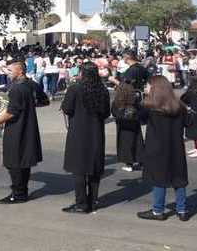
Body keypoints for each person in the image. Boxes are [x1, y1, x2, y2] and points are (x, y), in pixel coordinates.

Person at [136, 75, 192, 222]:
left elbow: (138, 118)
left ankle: (158, 210)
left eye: (147, 86)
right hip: (176, 146)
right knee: (178, 178)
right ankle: (182, 209)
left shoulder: (150, 107)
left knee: (158, 179)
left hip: (156, 147)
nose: (145, 88)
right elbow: (189, 122)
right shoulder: (179, 107)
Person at [0, 62, 43, 204]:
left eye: (10, 70)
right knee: (24, 161)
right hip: (29, 126)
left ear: (20, 71)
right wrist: (28, 106)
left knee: (14, 162)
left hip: (16, 128)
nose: (8, 72)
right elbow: (44, 101)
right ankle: (22, 192)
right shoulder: (32, 84)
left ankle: (17, 194)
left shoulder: (17, 88)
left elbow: (12, 112)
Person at [60, 62, 110, 214]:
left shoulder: (75, 88)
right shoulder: (103, 89)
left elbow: (67, 108)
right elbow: (106, 113)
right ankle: (92, 200)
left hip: (78, 132)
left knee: (79, 169)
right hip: (96, 132)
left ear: (82, 73)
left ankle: (81, 203)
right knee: (94, 168)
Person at [112, 78, 145, 172]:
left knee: (126, 144)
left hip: (123, 125)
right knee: (138, 141)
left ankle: (129, 164)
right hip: (134, 123)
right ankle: (140, 161)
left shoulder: (118, 101)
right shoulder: (135, 98)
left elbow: (114, 112)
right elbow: (141, 110)